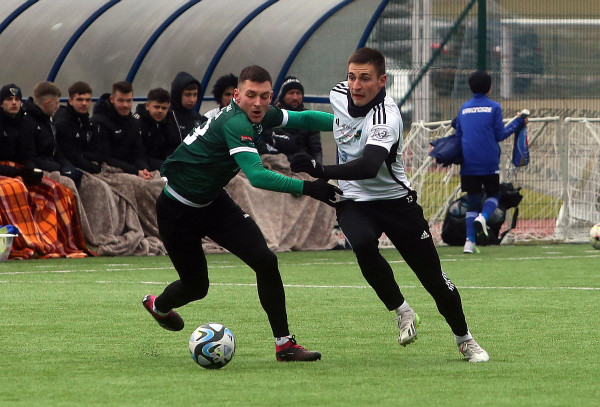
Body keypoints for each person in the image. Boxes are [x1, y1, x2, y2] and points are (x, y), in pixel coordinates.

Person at [290, 47, 489, 362]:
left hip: (397, 204)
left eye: (365, 78)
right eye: (352, 77)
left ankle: (465, 339)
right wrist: (276, 117)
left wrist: (321, 170)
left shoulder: (387, 116)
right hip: (354, 200)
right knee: (362, 244)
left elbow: (370, 165)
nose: (356, 85)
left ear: (382, 81)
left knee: (434, 280)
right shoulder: (339, 93)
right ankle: (402, 310)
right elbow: (328, 118)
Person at [142, 64, 341, 362]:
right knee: (196, 287)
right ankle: (158, 306)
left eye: (264, 96)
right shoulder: (235, 123)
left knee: (266, 261)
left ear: (271, 95)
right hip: (177, 210)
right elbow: (257, 176)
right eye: (251, 95)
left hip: (213, 203)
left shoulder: (260, 113)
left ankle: (284, 345)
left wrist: (349, 123)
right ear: (237, 95)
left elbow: (303, 118)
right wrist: (310, 188)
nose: (258, 103)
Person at [0, 83, 90, 259]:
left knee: (56, 189)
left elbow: (28, 154)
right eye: (9, 99)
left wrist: (30, 170)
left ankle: (61, 242)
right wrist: (19, 173)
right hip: (6, 172)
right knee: (14, 188)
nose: (14, 103)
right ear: (2, 103)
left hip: (19, 170)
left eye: (17, 99)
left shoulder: (25, 122)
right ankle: (24, 241)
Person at [453, 70, 527, 254]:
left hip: (468, 161)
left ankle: (469, 242)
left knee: (473, 201)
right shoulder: (494, 107)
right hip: (488, 160)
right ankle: (484, 217)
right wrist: (518, 122)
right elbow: (500, 134)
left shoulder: (464, 108)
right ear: (489, 87)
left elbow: (458, 134)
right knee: (494, 195)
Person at [22, 81, 83, 187]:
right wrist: (60, 169)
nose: (58, 107)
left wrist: (69, 167)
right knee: (69, 184)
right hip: (39, 170)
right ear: (48, 103)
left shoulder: (48, 122)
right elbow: (31, 157)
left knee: (88, 181)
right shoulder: (27, 122)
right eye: (57, 103)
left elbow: (57, 152)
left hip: (53, 167)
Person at [92, 81, 152, 179]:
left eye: (128, 101)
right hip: (109, 172)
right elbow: (104, 158)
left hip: (132, 170)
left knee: (164, 180)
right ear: (112, 99)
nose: (125, 105)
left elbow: (138, 152)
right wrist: (135, 171)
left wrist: (144, 168)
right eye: (120, 100)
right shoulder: (99, 122)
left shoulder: (133, 122)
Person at [259, 76, 323, 164]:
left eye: (298, 93)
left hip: (301, 165)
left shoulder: (309, 119)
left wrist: (317, 168)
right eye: (291, 93)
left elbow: (316, 150)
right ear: (283, 96)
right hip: (274, 163)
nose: (295, 97)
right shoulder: (272, 116)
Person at [54, 81, 104, 174]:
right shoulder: (62, 124)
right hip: (75, 170)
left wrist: (83, 155)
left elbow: (100, 153)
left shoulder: (91, 123)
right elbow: (71, 156)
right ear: (70, 101)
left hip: (94, 167)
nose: (84, 103)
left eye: (87, 100)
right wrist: (94, 167)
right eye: (80, 100)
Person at [134, 87, 174, 171]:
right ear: (147, 106)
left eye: (164, 108)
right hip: (141, 165)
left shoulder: (170, 120)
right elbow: (138, 154)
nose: (160, 111)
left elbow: (171, 146)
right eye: (156, 107)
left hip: (161, 163)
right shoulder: (137, 122)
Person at [168, 72, 207, 142]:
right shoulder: (168, 117)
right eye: (187, 95)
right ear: (178, 95)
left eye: (195, 95)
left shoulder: (197, 118)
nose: (192, 100)